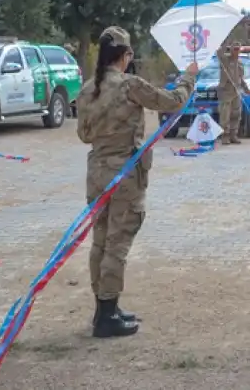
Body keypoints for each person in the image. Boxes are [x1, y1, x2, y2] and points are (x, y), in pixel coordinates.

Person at [76, 26, 197, 338]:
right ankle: (106, 317)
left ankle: (104, 308)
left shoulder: (89, 88)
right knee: (117, 244)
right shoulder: (130, 85)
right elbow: (172, 101)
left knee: (101, 241)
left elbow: (83, 135)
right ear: (126, 56)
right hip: (125, 174)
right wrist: (189, 77)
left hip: (97, 172)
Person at [218, 41, 250, 145]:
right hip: (226, 91)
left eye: (238, 49)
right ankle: (225, 136)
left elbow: (241, 79)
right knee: (225, 115)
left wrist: (246, 89)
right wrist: (224, 45)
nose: (236, 51)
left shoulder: (240, 63)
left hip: (236, 91)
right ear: (231, 50)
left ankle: (233, 135)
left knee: (236, 114)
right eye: (234, 49)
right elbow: (219, 53)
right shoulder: (225, 60)